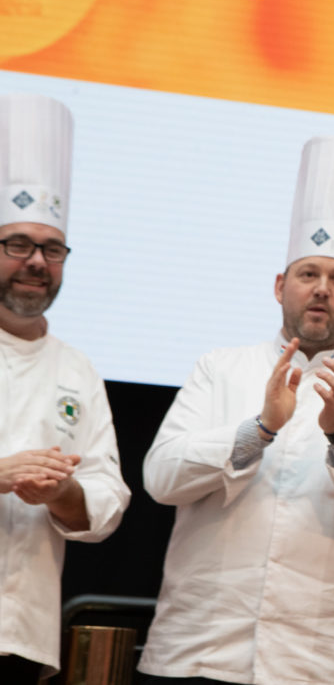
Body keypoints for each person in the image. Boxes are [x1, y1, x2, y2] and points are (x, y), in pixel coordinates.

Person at [138, 136, 334, 685]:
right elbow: (160, 479)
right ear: (280, 286)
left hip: (323, 663)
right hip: (199, 651)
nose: (321, 290)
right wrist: (260, 429)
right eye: (307, 275)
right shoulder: (220, 367)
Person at [0, 94, 131, 683]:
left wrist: (61, 492)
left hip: (22, 635)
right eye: (18, 244)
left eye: (52, 250)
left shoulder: (78, 370)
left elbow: (105, 499)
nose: (36, 262)